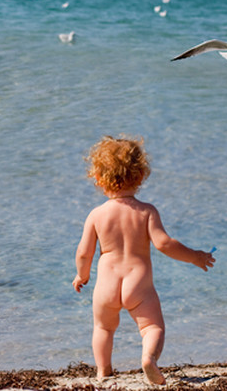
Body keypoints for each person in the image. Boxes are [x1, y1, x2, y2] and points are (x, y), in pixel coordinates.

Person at [71, 135, 215, 385]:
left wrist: (82, 275)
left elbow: (84, 253)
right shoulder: (147, 212)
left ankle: (103, 373)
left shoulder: (96, 215)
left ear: (98, 179)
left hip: (106, 286)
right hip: (138, 285)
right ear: (140, 176)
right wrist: (195, 257)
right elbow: (164, 244)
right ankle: (149, 359)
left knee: (103, 329)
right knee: (152, 328)